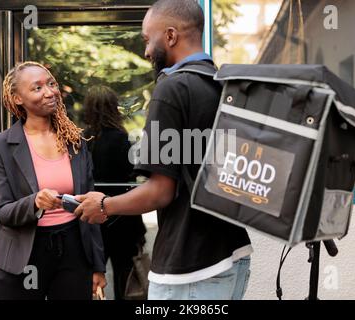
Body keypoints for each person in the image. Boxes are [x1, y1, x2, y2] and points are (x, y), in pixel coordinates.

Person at [75, 0, 253, 300]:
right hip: (232, 254)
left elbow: (161, 191)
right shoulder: (221, 85)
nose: (146, 51)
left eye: (148, 39)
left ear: (170, 36)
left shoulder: (172, 89)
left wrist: (104, 206)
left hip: (191, 269)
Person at [0, 61, 106, 300]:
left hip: (74, 249)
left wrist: (98, 265)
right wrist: (34, 202)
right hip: (24, 255)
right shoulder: (1, 145)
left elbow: (90, 209)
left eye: (51, 84)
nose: (50, 92)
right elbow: (2, 211)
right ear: (18, 98)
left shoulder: (76, 142)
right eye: (37, 88)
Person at [83, 85, 147, 300]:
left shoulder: (83, 140)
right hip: (124, 220)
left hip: (92, 221)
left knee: (92, 281)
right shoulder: (122, 138)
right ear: (113, 108)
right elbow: (132, 177)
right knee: (126, 283)